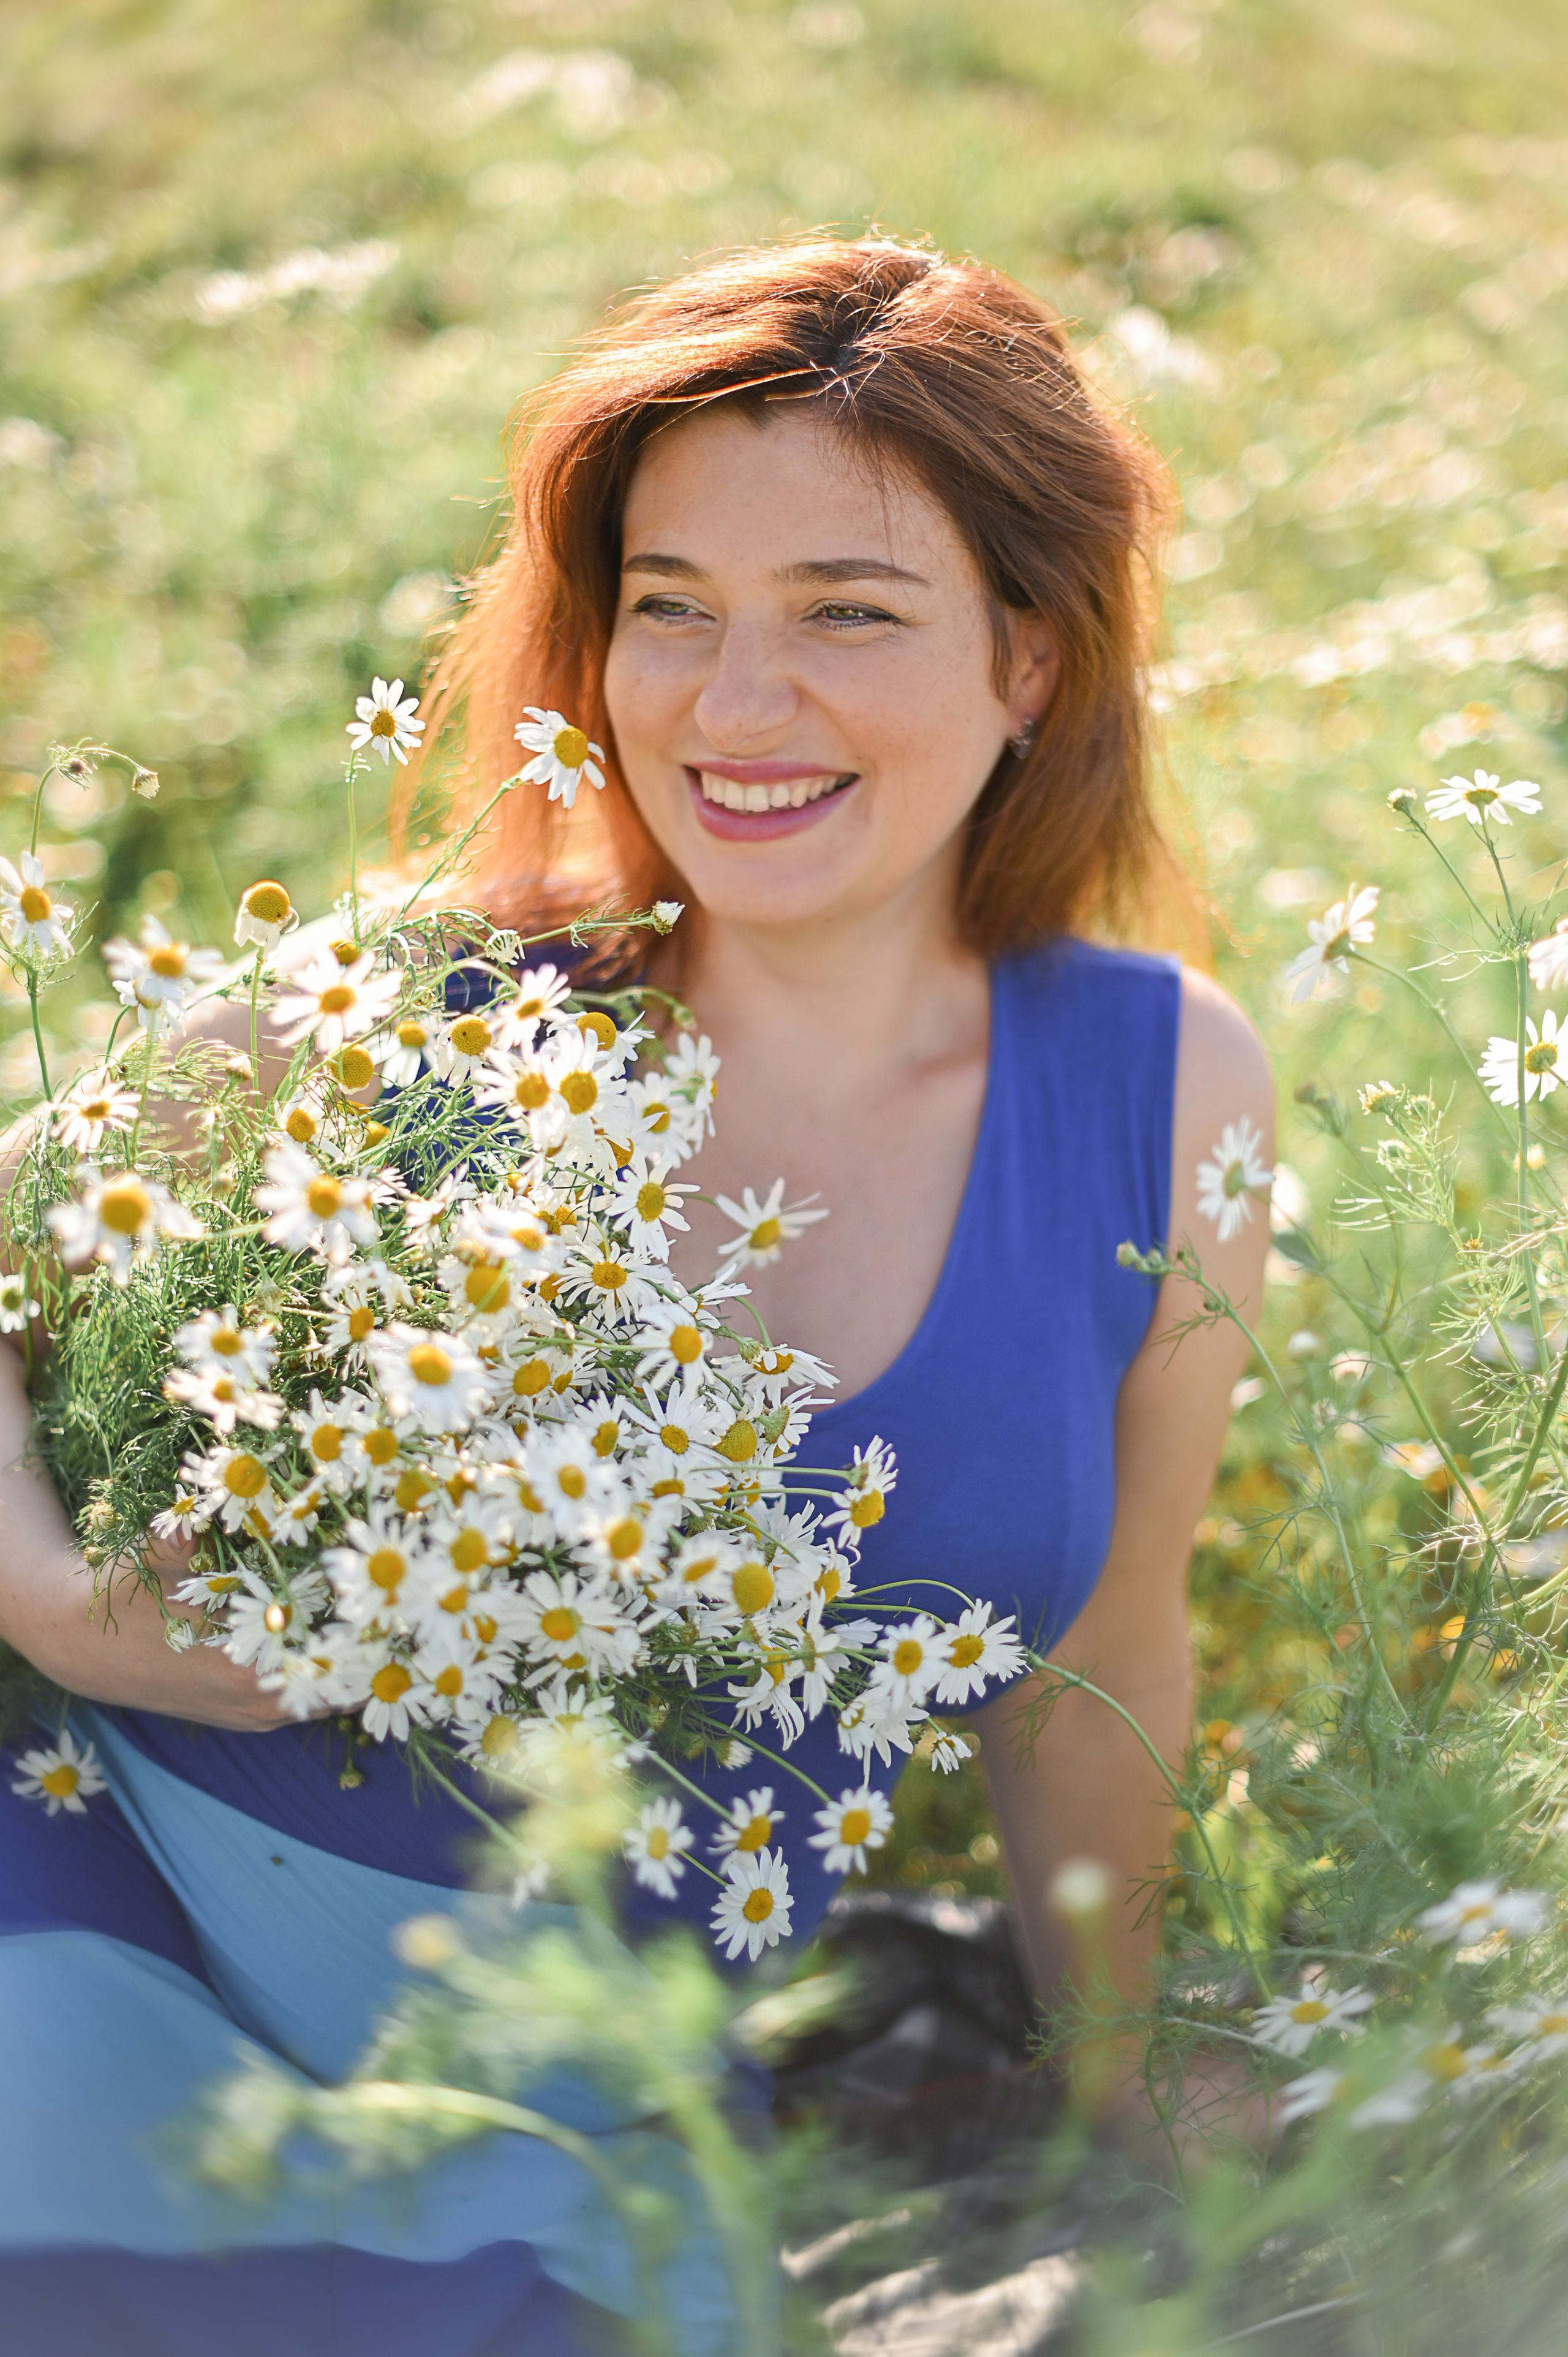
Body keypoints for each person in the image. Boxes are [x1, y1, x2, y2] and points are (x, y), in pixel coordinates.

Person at [0, 237, 1272, 2351]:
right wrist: (44, 1593)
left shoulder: (1158, 1085)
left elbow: (1096, 1655)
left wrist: (1124, 2076)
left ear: (1032, 662)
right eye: (671, 608)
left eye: (847, 613)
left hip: (586, 2105)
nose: (728, 706)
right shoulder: (429, 1004)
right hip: (101, 1914)